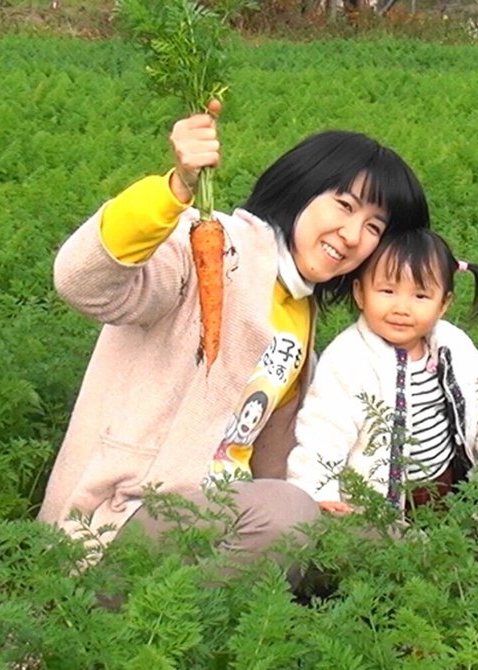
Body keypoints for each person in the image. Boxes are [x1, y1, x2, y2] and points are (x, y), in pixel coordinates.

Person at [36, 100, 431, 583]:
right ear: (301, 187)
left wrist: (328, 496)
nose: (352, 235)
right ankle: (140, 635)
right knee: (284, 515)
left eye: (374, 227)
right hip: (124, 522)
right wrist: (176, 187)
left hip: (226, 518)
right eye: (344, 206)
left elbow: (272, 455)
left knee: (391, 542)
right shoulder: (214, 245)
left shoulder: (300, 309)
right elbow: (84, 283)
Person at [287, 228, 478, 517]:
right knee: (396, 554)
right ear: (360, 293)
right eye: (387, 291)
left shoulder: (452, 345)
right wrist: (316, 493)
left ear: (444, 304)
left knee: (452, 545)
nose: (402, 308)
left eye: (421, 296)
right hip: (378, 499)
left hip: (448, 482)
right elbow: (323, 434)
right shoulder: (348, 358)